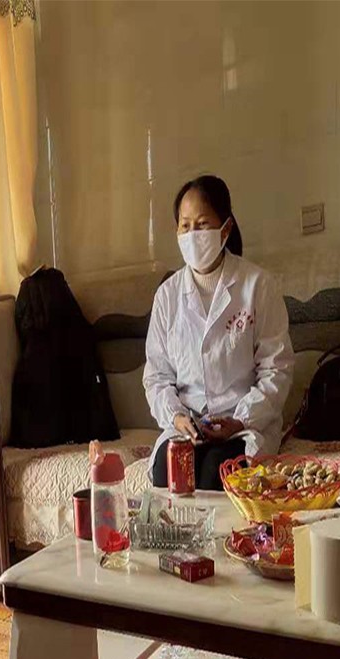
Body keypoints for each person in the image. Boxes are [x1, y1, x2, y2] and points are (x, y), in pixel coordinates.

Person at [143, 176, 295, 490]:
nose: (192, 235)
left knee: (218, 472)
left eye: (202, 225)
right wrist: (177, 418)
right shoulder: (167, 296)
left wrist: (240, 420)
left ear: (225, 230)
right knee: (166, 472)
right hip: (188, 426)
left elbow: (276, 369)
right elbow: (157, 377)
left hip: (243, 422)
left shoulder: (258, 286)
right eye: (185, 226)